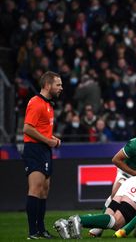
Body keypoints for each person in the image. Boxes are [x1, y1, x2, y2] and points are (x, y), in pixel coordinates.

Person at [53, 176, 136, 239]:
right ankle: (79, 220)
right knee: (118, 223)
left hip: (132, 182)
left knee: (109, 219)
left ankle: (66, 223)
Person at [22, 71, 63, 239]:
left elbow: (41, 130)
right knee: (35, 188)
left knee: (44, 190)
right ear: (47, 85)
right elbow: (27, 129)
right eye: (58, 84)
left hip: (45, 149)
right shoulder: (36, 102)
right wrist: (48, 141)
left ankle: (41, 229)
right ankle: (33, 232)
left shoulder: (49, 104)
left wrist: (53, 139)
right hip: (34, 149)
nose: (61, 88)